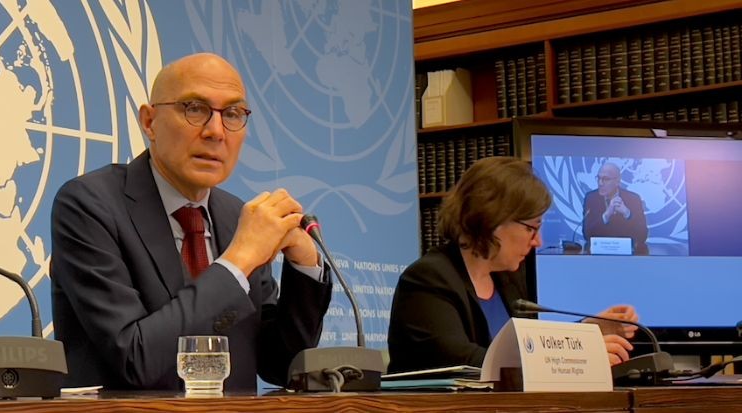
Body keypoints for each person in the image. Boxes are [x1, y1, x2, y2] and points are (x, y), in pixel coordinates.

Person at [49, 53, 333, 391]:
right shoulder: (89, 205)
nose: (216, 132)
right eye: (195, 109)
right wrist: (239, 260)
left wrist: (305, 265)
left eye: (232, 114)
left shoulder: (235, 217)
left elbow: (277, 365)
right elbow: (133, 357)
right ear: (149, 122)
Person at [388, 157, 639, 374]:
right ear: (493, 218)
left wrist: (587, 331)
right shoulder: (428, 279)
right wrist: (580, 357)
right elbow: (464, 362)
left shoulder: (509, 280)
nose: (538, 242)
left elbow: (527, 347)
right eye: (532, 228)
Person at [583, 162, 649, 255]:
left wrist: (627, 213)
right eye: (598, 178)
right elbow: (587, 234)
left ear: (617, 181)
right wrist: (606, 216)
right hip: (599, 257)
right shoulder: (591, 198)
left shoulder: (633, 199)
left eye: (605, 179)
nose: (600, 183)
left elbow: (643, 236)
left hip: (628, 258)